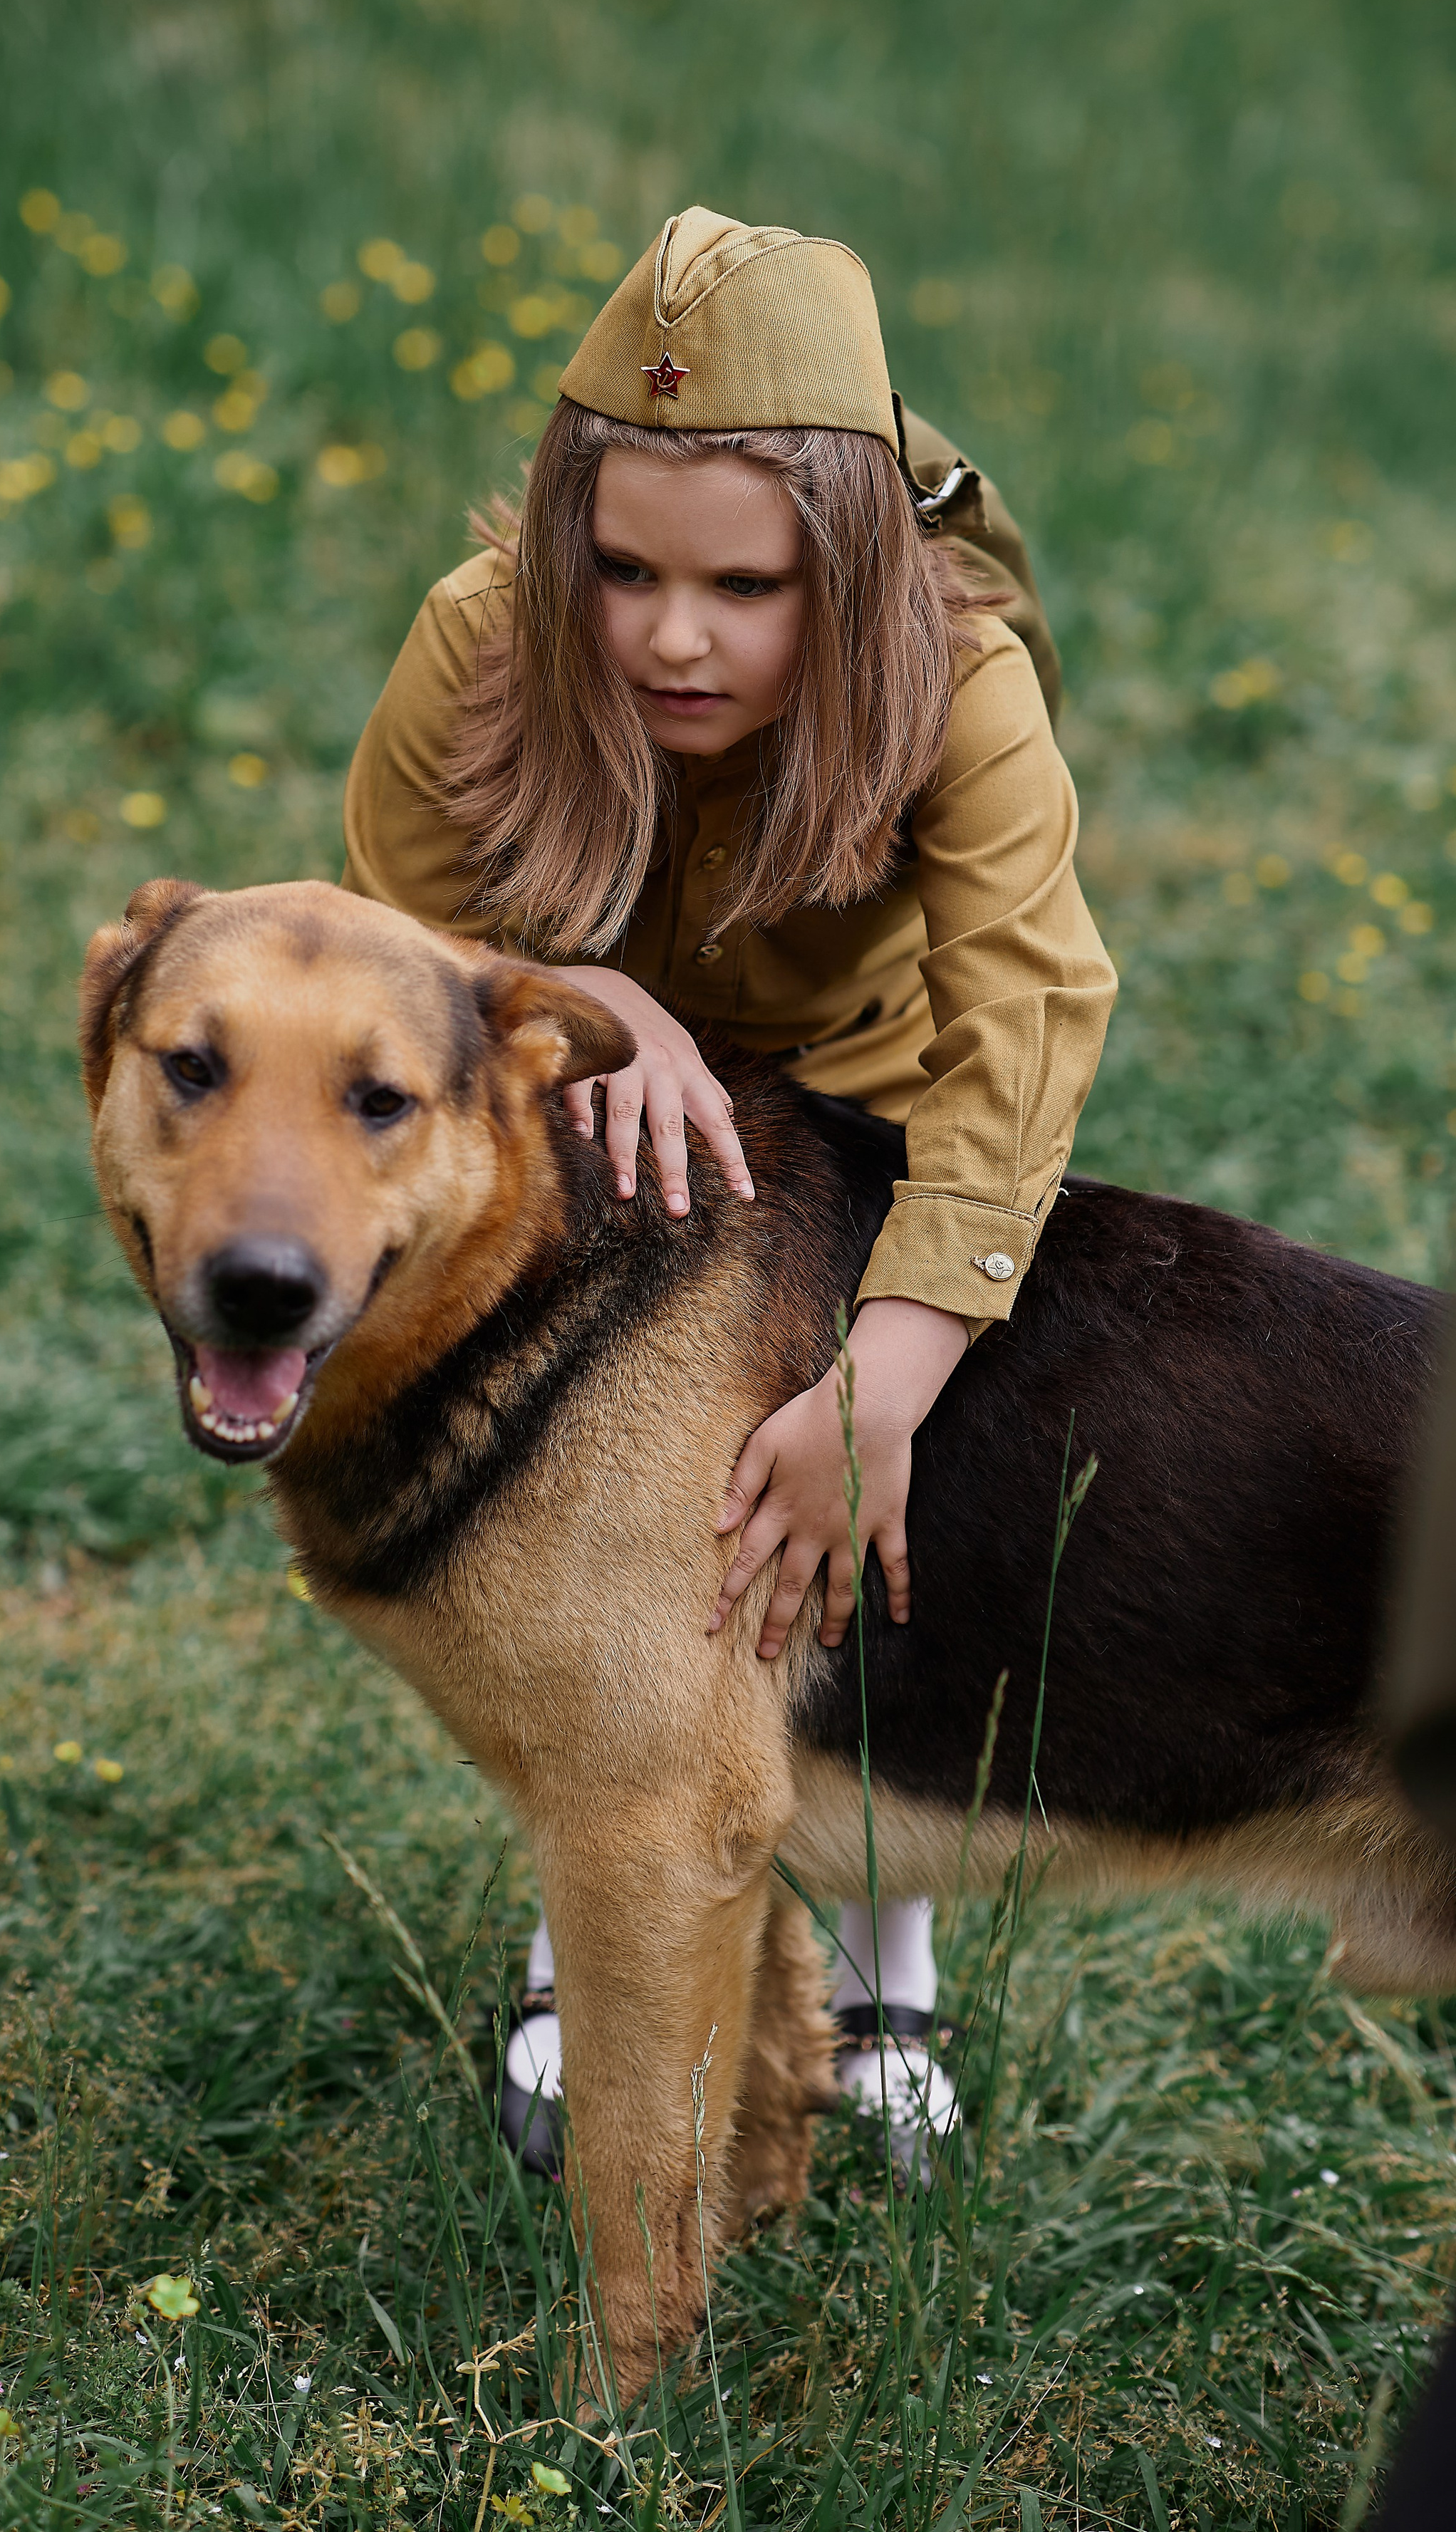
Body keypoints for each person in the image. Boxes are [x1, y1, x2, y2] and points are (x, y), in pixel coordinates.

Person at [340, 207, 1116, 2171]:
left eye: (747, 588)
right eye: (624, 571)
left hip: (866, 1118)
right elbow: (386, 949)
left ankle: (874, 1955)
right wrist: (599, 1009)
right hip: (585, 1120)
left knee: (855, 1469)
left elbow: (1028, 1015)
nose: (675, 637)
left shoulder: (960, 677)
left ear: (849, 570)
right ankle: (588, 1915)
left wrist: (896, 1364)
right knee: (610, 1498)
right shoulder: (480, 634)